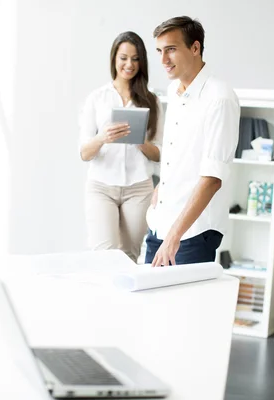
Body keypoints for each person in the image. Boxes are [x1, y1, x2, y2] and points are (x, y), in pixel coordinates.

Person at [145, 16, 240, 266]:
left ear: (195, 48)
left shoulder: (219, 98)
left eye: (171, 50)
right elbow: (181, 152)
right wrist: (161, 187)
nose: (163, 60)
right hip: (160, 225)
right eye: (159, 51)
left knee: (182, 306)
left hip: (191, 234)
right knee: (146, 304)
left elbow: (212, 178)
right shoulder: (174, 93)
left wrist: (174, 237)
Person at [79, 31, 163, 262]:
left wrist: (141, 142)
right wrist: (102, 138)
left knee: (129, 257)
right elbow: (84, 153)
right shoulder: (97, 98)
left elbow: (159, 154)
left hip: (138, 188)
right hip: (101, 187)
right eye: (123, 57)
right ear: (114, 58)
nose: (129, 64)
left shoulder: (152, 101)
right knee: (104, 256)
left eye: (135, 59)